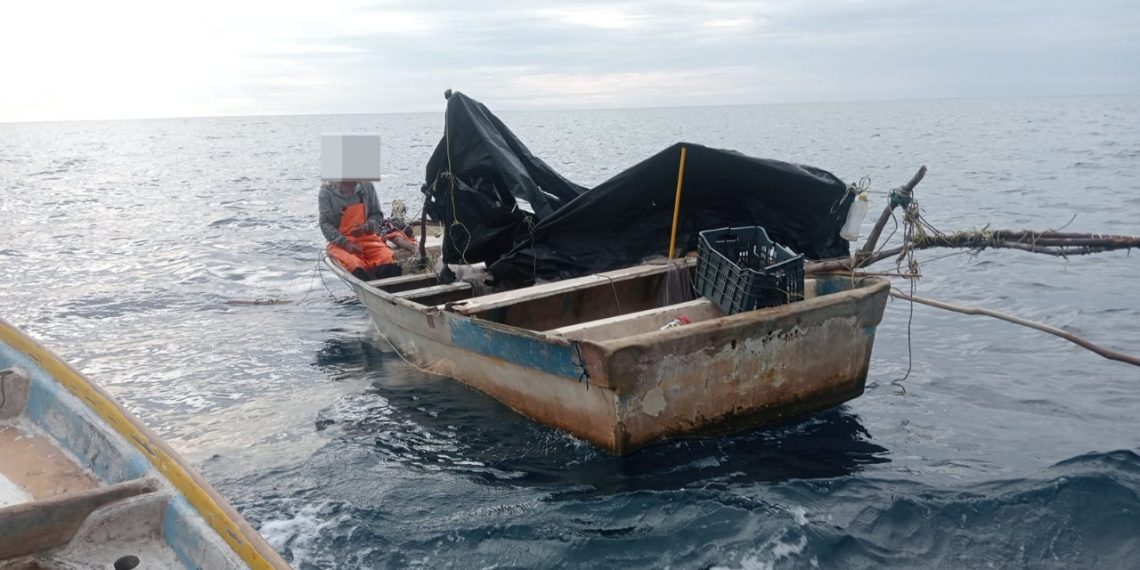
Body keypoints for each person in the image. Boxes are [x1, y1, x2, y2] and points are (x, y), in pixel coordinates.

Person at [319, 180, 408, 280]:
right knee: (355, 266)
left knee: (389, 261)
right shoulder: (326, 192)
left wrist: (366, 226)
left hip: (367, 238)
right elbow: (325, 224)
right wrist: (345, 243)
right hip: (340, 243)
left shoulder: (367, 186)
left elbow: (377, 215)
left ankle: (389, 289)